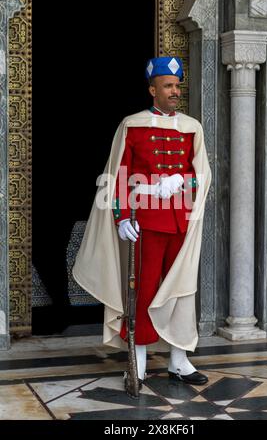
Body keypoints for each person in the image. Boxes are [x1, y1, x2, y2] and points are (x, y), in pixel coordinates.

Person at [73, 56, 211, 388]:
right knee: (144, 292)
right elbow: (117, 174)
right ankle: (138, 361)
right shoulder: (131, 125)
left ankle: (179, 360)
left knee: (181, 291)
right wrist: (120, 217)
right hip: (145, 221)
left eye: (177, 85)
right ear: (153, 90)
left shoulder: (192, 127)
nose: (175, 91)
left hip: (182, 222)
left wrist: (181, 181)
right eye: (168, 86)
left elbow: (202, 174)